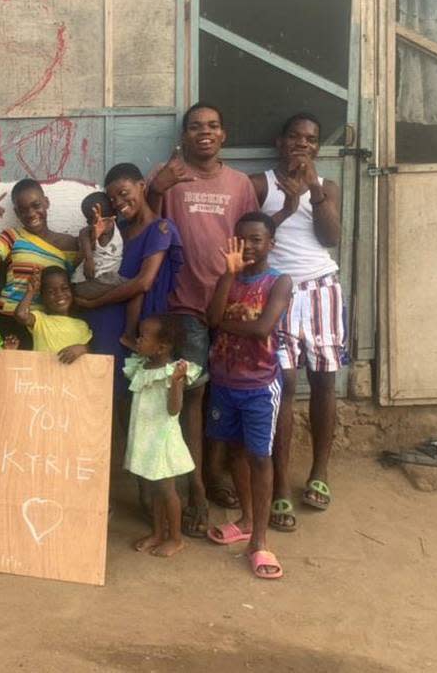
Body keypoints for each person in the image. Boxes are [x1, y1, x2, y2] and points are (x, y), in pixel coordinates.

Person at [147, 103, 259, 537]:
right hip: (185, 304)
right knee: (191, 396)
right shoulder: (169, 175)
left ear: (224, 135)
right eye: (195, 127)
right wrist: (156, 190)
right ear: (184, 136)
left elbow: (250, 240)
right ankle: (192, 488)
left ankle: (214, 474)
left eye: (212, 126)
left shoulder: (239, 184)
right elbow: (146, 229)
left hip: (229, 305)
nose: (204, 133)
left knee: (226, 395)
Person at [250, 113, 344, 531]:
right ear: (280, 141)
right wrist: (287, 206)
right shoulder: (260, 185)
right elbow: (253, 236)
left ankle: (320, 472)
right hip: (278, 293)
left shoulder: (328, 187)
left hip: (322, 290)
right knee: (282, 385)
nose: (302, 144)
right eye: (295, 137)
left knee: (324, 380)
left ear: (317, 148)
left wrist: (314, 190)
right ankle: (281, 487)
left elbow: (331, 238)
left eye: (311, 139)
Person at [204, 214, 293, 580]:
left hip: (258, 386)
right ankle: (245, 519)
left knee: (259, 457)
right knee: (237, 452)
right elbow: (211, 316)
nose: (249, 247)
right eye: (243, 240)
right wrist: (228, 273)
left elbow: (261, 329)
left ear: (271, 243)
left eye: (257, 240)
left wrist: (224, 324)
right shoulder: (229, 279)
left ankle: (259, 540)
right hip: (226, 382)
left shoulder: (279, 282)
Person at [76, 164, 185, 394]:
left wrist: (95, 302)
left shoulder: (160, 229)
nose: (118, 202)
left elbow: (144, 282)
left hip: (136, 329)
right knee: (97, 394)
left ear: (142, 186)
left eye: (123, 193)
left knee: (127, 395)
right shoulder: (119, 228)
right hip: (101, 322)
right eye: (112, 198)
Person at [124, 314, 201, 559]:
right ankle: (158, 533)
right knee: (156, 489)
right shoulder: (142, 366)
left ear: (162, 347)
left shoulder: (172, 372)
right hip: (146, 439)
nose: (138, 339)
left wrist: (177, 383)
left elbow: (173, 410)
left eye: (143, 337)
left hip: (162, 440)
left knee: (168, 491)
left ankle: (175, 538)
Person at [0, 179, 79, 348]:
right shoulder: (12, 236)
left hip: (42, 324)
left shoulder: (69, 245)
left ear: (47, 202)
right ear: (16, 212)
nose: (31, 213)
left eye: (36, 205)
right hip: (5, 319)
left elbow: (74, 284)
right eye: (23, 210)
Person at [72, 192, 142, 349]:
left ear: (113, 218)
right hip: (88, 283)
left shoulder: (118, 230)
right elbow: (84, 235)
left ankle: (129, 333)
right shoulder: (90, 232)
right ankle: (129, 336)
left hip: (101, 281)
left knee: (138, 288)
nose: (94, 224)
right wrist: (89, 258)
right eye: (89, 220)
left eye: (99, 219)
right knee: (136, 288)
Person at [14, 266, 92, 363]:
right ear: (43, 296)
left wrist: (83, 348)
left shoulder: (81, 325)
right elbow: (21, 314)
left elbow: (92, 352)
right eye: (51, 292)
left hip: (73, 377)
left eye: (64, 288)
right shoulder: (40, 319)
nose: (59, 294)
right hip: (42, 374)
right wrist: (31, 291)